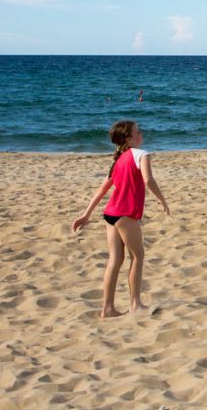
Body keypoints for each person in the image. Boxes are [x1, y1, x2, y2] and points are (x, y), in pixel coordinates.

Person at [72, 120, 170, 317]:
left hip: (110, 213)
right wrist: (162, 199)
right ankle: (135, 305)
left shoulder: (118, 160)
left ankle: (107, 309)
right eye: (138, 131)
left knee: (115, 260)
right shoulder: (141, 154)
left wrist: (86, 214)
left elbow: (103, 189)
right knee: (138, 256)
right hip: (125, 214)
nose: (141, 134)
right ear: (129, 139)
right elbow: (148, 180)